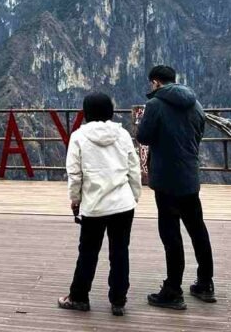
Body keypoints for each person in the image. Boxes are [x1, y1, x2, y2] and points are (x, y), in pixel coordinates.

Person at [136, 64, 216, 310]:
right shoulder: (195, 104)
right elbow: (199, 132)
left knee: (171, 235)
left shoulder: (155, 105)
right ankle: (205, 283)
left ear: (155, 83)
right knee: (197, 229)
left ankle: (173, 290)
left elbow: (143, 136)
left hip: (166, 180)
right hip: (189, 177)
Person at [57, 92, 141, 317]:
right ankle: (118, 301)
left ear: (86, 112)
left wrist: (75, 200)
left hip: (94, 205)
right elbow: (133, 167)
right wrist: (134, 195)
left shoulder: (78, 137)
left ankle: (79, 297)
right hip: (123, 204)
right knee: (120, 251)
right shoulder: (122, 134)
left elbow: (74, 174)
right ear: (110, 111)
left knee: (88, 252)